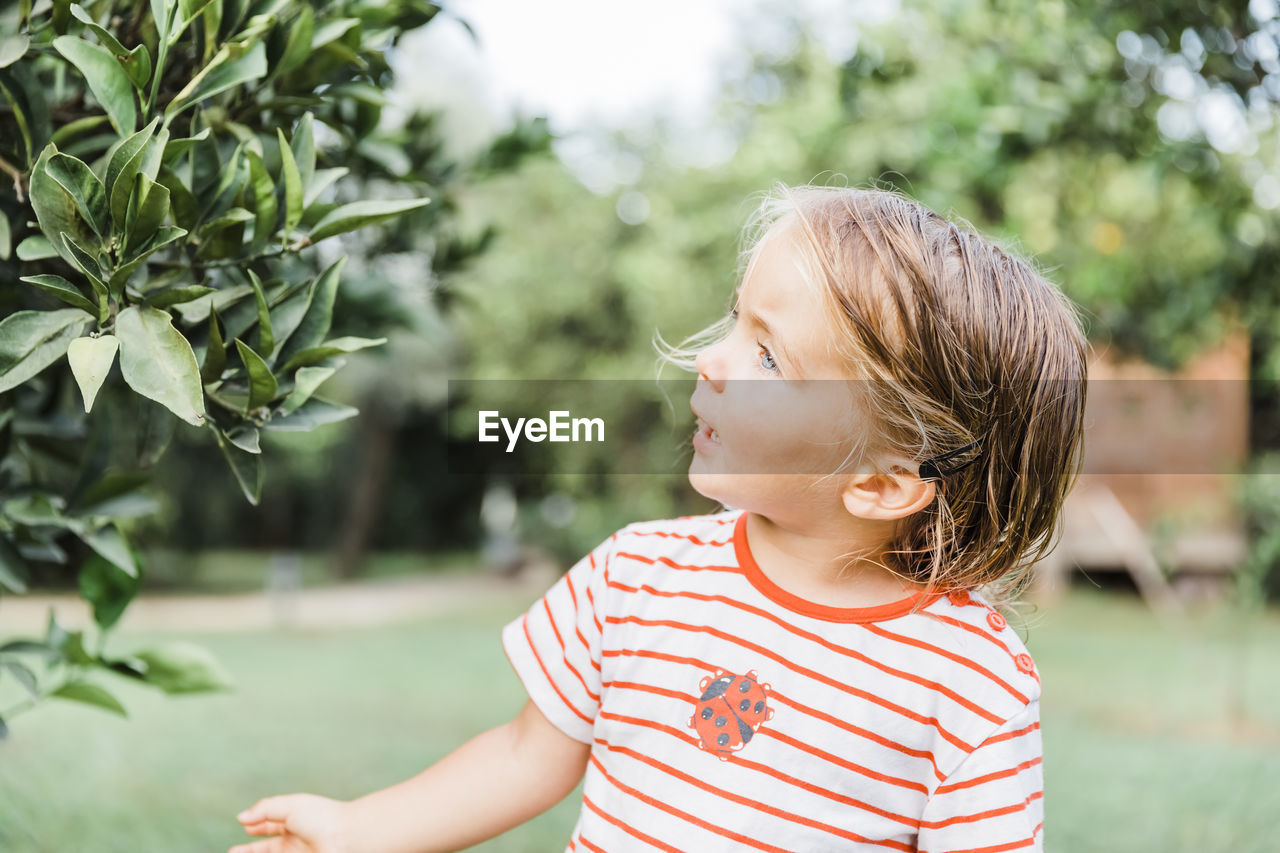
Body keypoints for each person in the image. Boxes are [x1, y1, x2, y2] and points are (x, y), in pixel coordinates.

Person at [230, 184, 1088, 853]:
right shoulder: (638, 575)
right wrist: (358, 829)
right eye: (736, 319)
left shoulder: (967, 676)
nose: (712, 359)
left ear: (881, 481)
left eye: (766, 353)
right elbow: (529, 754)